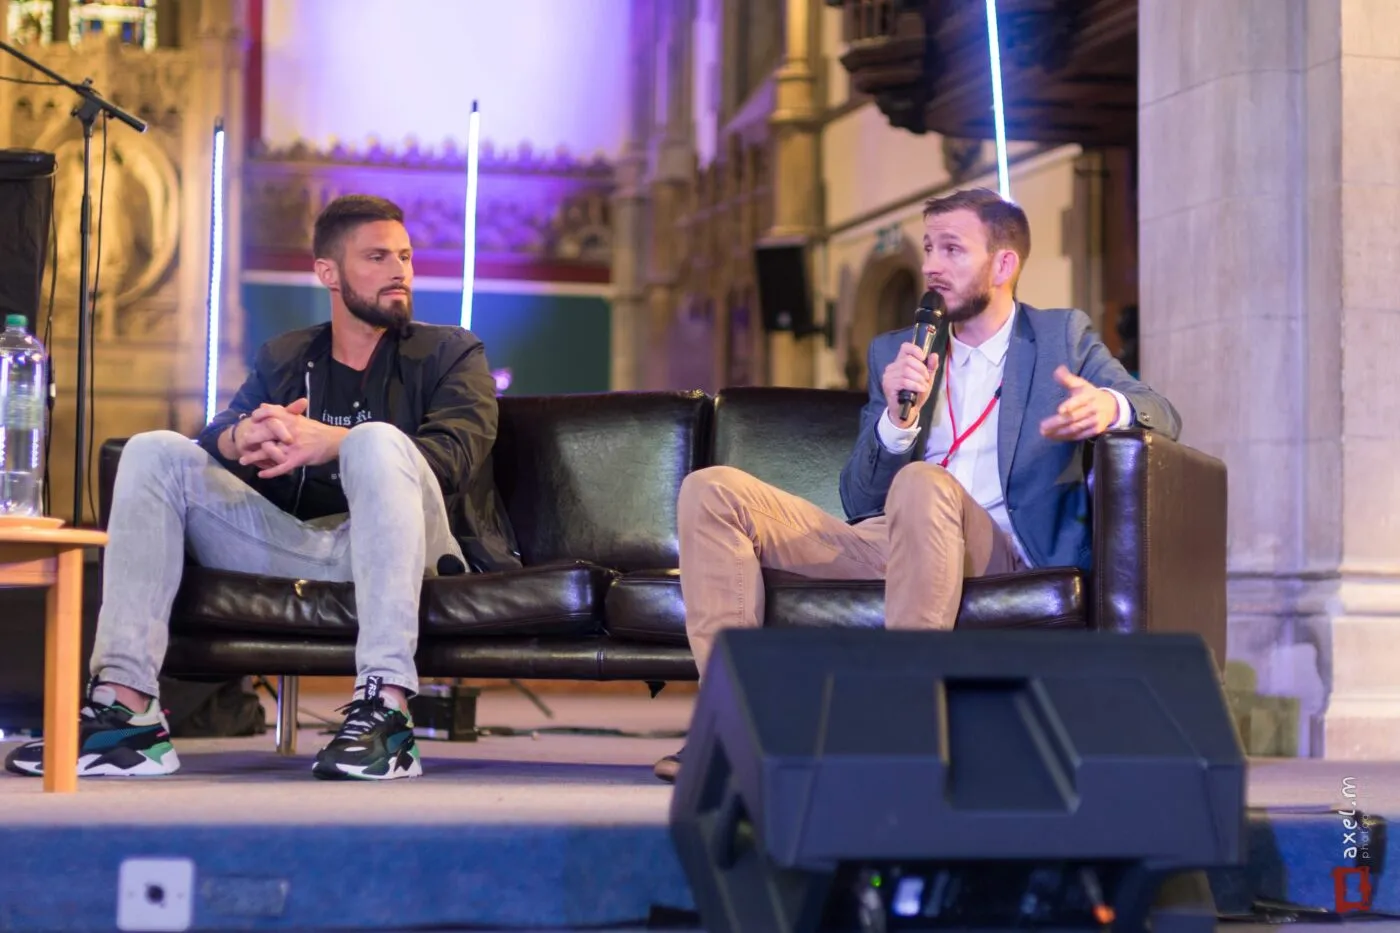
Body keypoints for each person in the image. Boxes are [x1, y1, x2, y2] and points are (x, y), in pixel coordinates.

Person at [653, 187, 1180, 783]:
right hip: (898, 533)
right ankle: (731, 730)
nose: (931, 264)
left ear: (1003, 264)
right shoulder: (900, 351)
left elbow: (1161, 410)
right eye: (929, 247)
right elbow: (858, 500)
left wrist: (1106, 407)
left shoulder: (1060, 336)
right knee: (711, 489)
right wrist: (897, 422)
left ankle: (902, 726)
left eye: (952, 248)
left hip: (996, 546)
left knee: (925, 484)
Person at [4, 194, 520, 781]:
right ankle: (129, 715)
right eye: (377, 257)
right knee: (155, 451)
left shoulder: (454, 352)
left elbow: (451, 461)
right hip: (307, 548)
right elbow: (219, 435)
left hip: (418, 550)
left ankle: (387, 713)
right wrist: (240, 439)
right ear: (328, 272)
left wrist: (331, 441)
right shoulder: (286, 356)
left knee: (376, 441)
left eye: (404, 256)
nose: (399, 271)